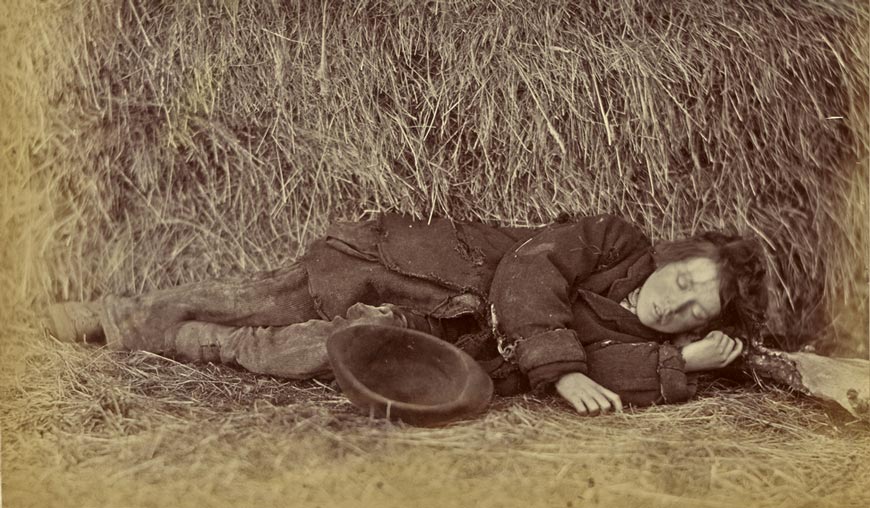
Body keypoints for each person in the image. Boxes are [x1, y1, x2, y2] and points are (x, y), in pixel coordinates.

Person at [45, 212, 769, 416]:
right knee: (259, 297)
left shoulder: (648, 349)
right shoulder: (615, 243)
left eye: (690, 311)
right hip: (416, 270)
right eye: (681, 280)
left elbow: (605, 370)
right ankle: (106, 317)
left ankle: (184, 341)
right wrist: (561, 367)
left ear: (698, 326)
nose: (670, 300)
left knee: (297, 353)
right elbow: (530, 270)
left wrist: (673, 365)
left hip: (434, 335)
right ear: (671, 257)